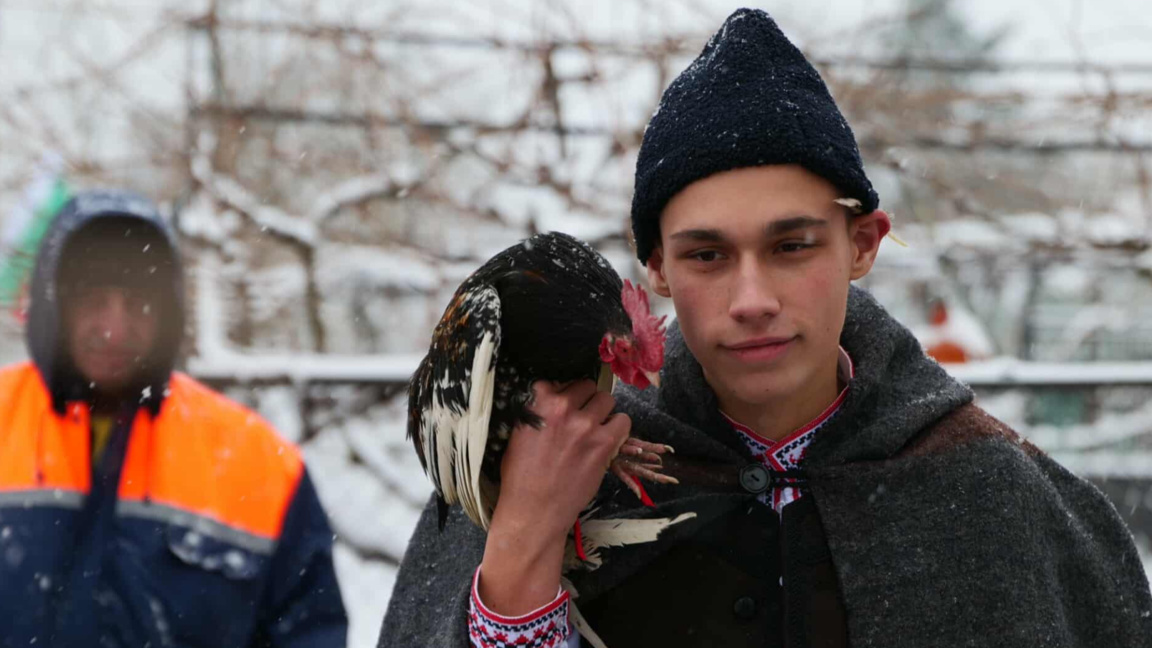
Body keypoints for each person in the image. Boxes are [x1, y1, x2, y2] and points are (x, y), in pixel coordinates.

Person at [379, 9, 1152, 647]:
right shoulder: (538, 469)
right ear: (655, 269)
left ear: (863, 243)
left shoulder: (987, 490)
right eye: (707, 254)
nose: (751, 298)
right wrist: (521, 550)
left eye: (791, 246)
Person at [0, 189, 347, 647]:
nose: (114, 328)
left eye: (138, 302)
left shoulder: (256, 464)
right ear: (53, 304)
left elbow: (308, 631)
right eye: (92, 299)